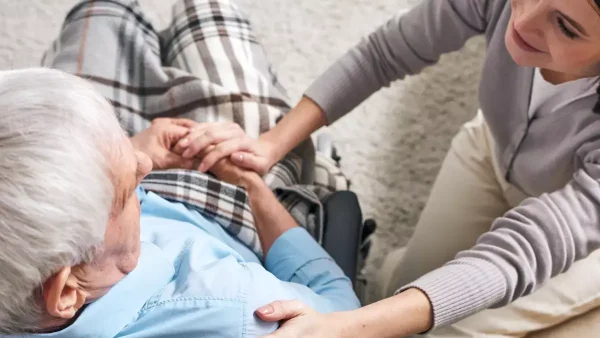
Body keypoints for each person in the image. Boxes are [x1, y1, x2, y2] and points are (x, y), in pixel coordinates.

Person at [180, 0, 600, 336]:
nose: (523, 18)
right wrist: (271, 144)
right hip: (492, 147)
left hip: (585, 223)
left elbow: (522, 252)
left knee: (449, 330)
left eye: (566, 26)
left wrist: (346, 328)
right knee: (397, 286)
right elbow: (384, 53)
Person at [0, 68, 359, 336]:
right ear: (66, 292)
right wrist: (252, 186)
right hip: (239, 214)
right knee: (210, 12)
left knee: (100, 11)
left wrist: (121, 154)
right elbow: (342, 309)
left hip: (134, 198)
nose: (146, 165)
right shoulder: (236, 307)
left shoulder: (36, 274)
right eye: (125, 193)